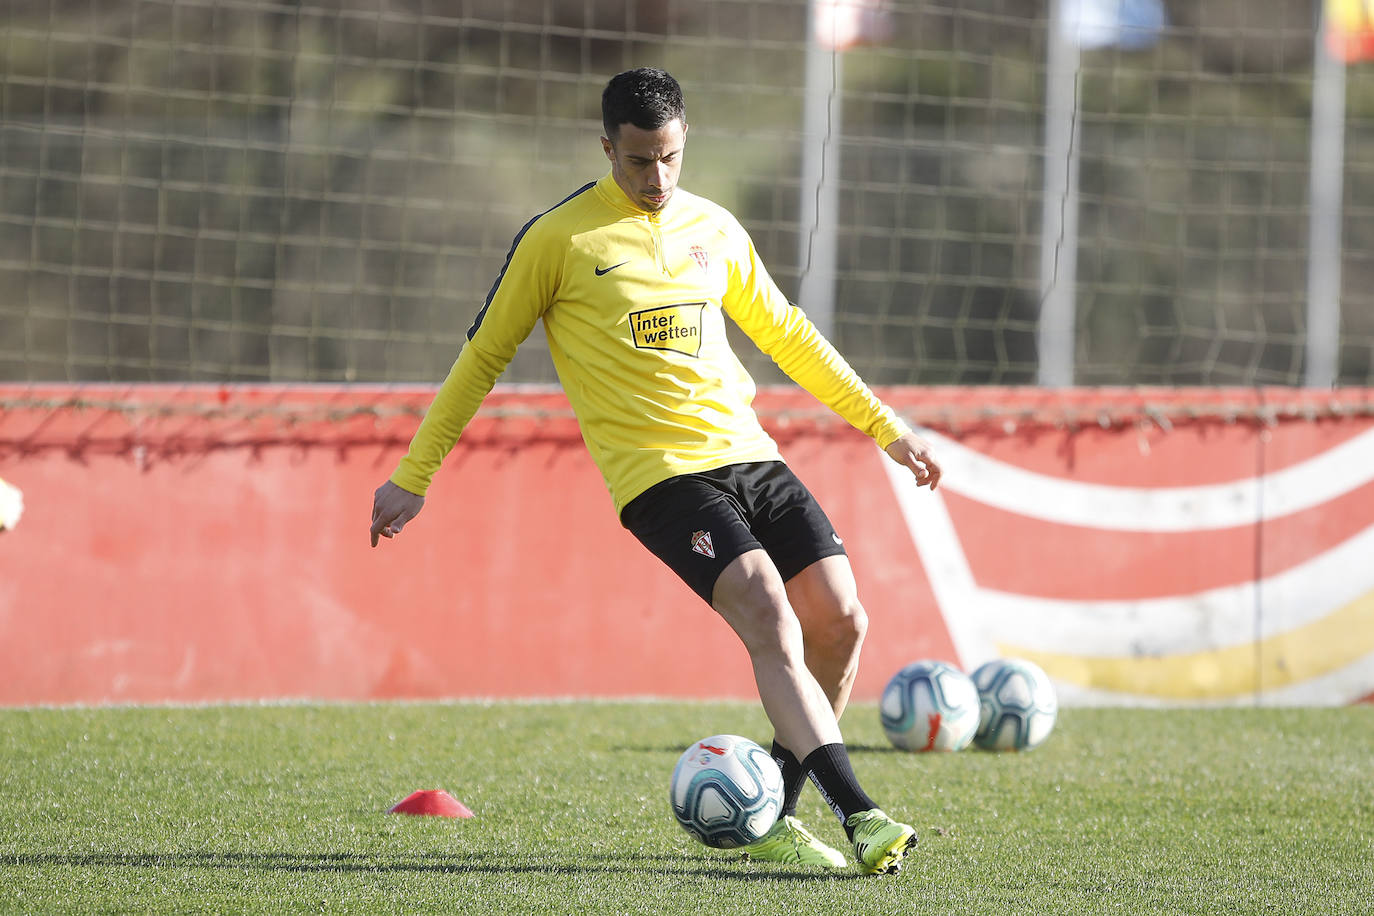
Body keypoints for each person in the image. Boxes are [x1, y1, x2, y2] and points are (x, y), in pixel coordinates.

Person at [370, 67, 942, 875]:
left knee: (842, 621)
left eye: (670, 157)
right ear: (608, 147)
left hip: (751, 456)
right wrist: (413, 474)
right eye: (639, 160)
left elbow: (788, 336)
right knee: (768, 612)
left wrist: (887, 428)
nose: (657, 178)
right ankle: (864, 816)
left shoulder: (714, 227)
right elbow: (481, 359)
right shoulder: (558, 240)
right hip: (660, 479)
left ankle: (773, 812)